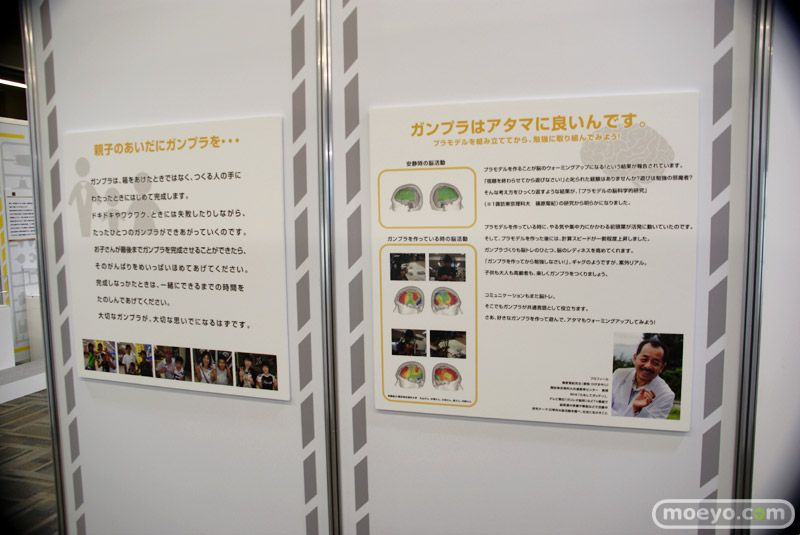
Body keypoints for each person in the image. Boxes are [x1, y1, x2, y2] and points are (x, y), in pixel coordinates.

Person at [611, 338, 675, 418]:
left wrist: (638, 410)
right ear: (635, 358)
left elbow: (654, 423)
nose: (648, 366)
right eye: (644, 359)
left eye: (655, 363)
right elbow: (604, 408)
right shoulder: (619, 374)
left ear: (662, 367)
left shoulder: (666, 395)